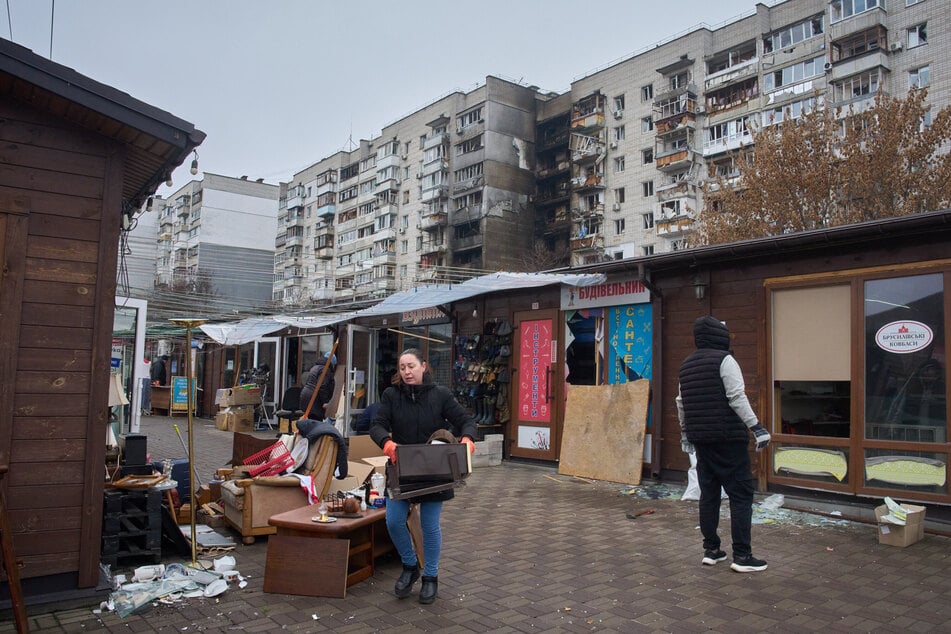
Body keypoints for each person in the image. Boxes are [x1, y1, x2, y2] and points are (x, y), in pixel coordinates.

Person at [368, 348, 477, 604]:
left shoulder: (440, 395)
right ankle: (409, 566)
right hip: (401, 466)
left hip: (434, 469)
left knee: (429, 525)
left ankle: (430, 576)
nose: (407, 371)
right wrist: (386, 443)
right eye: (402, 367)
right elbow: (377, 424)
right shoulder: (391, 395)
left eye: (411, 366)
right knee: (394, 521)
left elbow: (466, 421)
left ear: (423, 366)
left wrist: (468, 440)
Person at [676, 316, 771, 573]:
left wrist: (686, 434)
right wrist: (757, 428)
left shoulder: (687, 365)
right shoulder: (725, 360)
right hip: (728, 439)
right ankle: (742, 556)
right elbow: (736, 397)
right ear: (720, 334)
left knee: (709, 494)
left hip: (701, 440)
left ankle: (711, 550)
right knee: (741, 495)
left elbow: (681, 403)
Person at [299, 352, 336, 419]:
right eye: (334, 365)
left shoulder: (315, 367)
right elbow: (322, 386)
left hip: (307, 396)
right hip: (314, 399)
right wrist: (325, 402)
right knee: (316, 422)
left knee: (309, 421)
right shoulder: (325, 370)